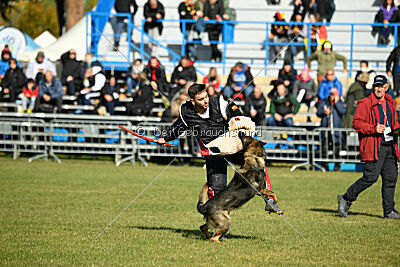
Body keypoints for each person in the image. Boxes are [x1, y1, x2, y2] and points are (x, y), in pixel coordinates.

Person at [156, 83, 283, 215]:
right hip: (213, 152)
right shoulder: (186, 111)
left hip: (232, 146)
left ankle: (269, 201)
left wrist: (238, 121)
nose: (206, 101)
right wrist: (165, 138)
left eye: (206, 97)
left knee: (257, 162)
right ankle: (216, 225)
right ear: (192, 101)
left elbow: (236, 113)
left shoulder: (219, 102)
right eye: (201, 99)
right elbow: (178, 126)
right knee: (217, 189)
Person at [337, 75, 400, 219]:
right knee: (370, 177)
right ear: (373, 87)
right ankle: (346, 198)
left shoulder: (390, 102)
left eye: (381, 86)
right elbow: (357, 123)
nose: (379, 89)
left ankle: (389, 210)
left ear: (386, 87)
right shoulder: (365, 103)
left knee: (391, 178)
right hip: (374, 147)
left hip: (390, 146)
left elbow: (394, 122)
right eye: (376, 86)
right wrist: (373, 128)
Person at [316, 88, 346, 171]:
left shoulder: (340, 102)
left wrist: (336, 103)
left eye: (334, 94)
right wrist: (324, 112)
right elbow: (318, 112)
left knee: (337, 148)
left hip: (336, 129)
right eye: (331, 94)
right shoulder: (325, 102)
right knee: (324, 148)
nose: (332, 96)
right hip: (326, 129)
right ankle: (325, 166)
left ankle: (337, 166)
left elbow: (343, 111)